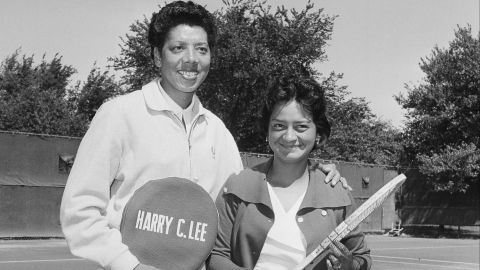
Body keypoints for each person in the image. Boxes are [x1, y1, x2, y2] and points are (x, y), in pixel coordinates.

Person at [60, 2, 346, 270]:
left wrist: (313, 175)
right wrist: (131, 265)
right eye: (177, 48)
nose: (191, 60)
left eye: (201, 49)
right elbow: (80, 214)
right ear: (158, 56)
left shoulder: (217, 131)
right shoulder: (118, 115)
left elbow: (242, 203)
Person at [207, 74, 371, 270]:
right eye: (279, 126)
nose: (289, 136)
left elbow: (362, 259)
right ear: (267, 131)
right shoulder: (237, 186)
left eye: (301, 126)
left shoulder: (336, 192)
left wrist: (349, 265)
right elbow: (216, 255)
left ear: (317, 133)